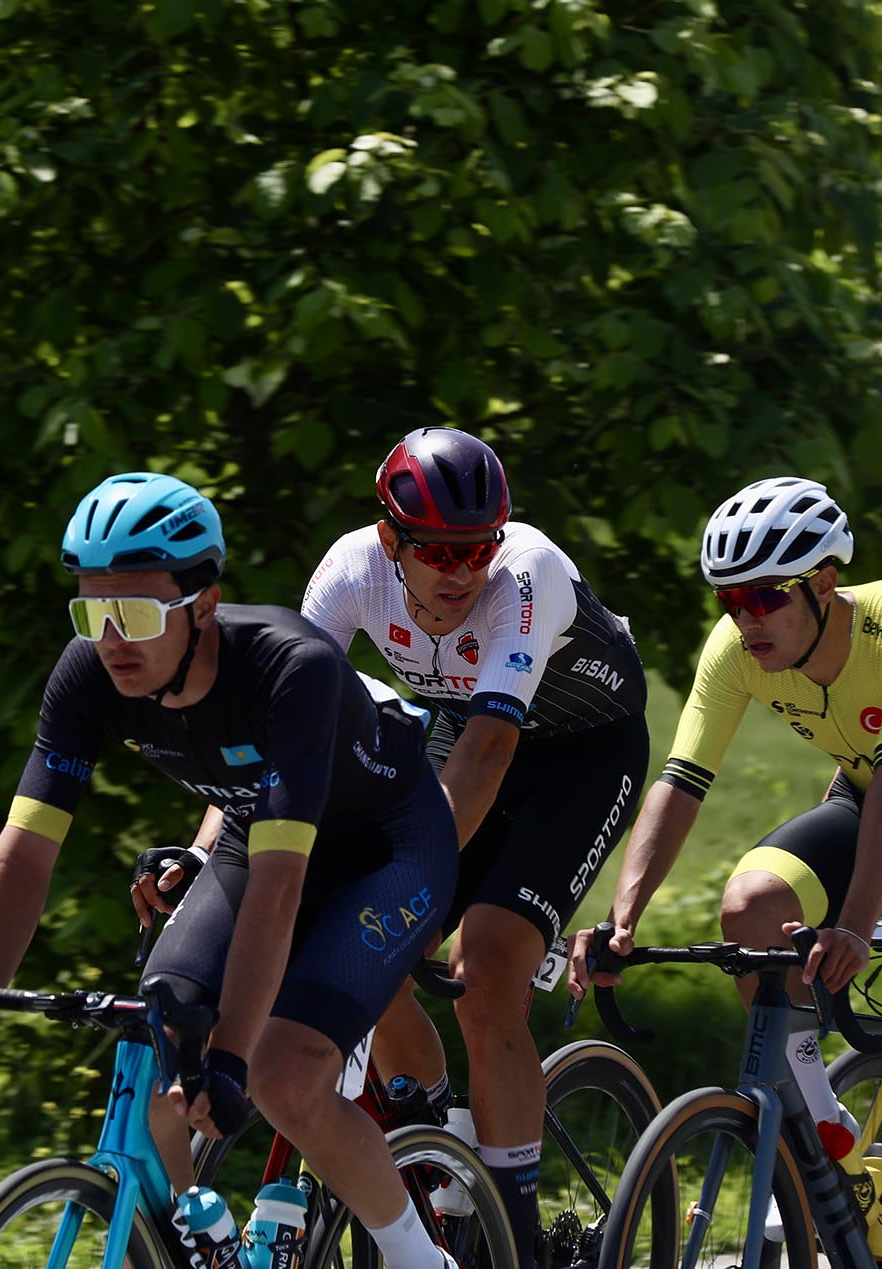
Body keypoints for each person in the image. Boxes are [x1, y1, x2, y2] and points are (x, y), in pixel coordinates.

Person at [0, 471, 461, 1269]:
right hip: (261, 834)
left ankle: (421, 1259)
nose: (111, 639)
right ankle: (203, 1243)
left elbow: (279, 889)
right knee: (163, 1016)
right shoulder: (88, 674)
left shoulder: (288, 670)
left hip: (386, 845)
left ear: (203, 604)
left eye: (133, 613)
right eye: (92, 611)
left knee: (281, 1073)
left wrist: (234, 1060)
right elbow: (23, 851)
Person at [569, 475, 882, 1269]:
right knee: (751, 907)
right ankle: (832, 1133)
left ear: (824, 581)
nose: (745, 618)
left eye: (764, 598)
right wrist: (622, 920)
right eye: (730, 600)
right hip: (870, 806)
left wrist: (853, 925)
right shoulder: (738, 648)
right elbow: (680, 783)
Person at [300, 426, 650, 1269]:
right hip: (464, 737)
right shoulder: (351, 571)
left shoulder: (526, 571)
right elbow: (290, 717)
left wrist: (411, 879)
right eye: (439, 552)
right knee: (362, 942)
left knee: (488, 969)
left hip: (579, 757)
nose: (462, 572)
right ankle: (431, 1132)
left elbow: (493, 750)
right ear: (392, 539)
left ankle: (514, 1234)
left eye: (475, 549)